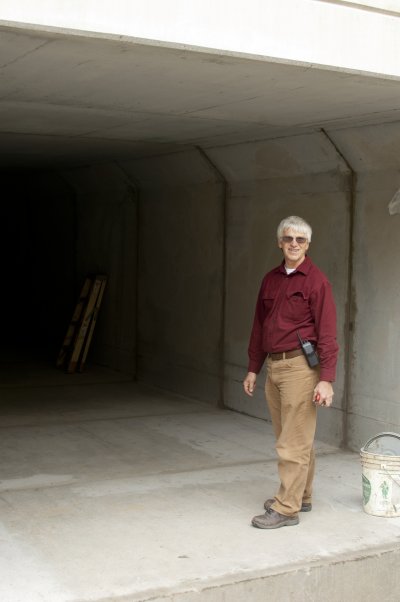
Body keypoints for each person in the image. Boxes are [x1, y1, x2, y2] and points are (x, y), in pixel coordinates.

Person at [243, 215, 338, 529]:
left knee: (292, 443)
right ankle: (303, 495)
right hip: (274, 367)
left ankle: (286, 508)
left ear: (308, 244)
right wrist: (253, 369)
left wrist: (326, 379)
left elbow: (327, 333)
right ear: (279, 242)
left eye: (300, 239)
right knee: (296, 438)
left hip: (300, 368)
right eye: (288, 238)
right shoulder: (270, 280)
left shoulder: (316, 282)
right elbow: (259, 326)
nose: (294, 244)